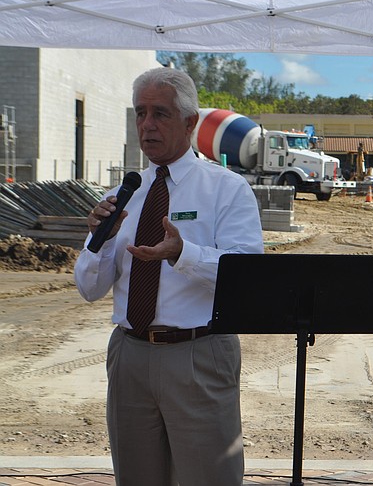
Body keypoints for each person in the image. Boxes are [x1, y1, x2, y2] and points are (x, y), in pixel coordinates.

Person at [74, 67, 264, 486]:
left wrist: (183, 253)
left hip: (197, 353)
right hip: (129, 355)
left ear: (190, 122)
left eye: (160, 113)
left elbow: (247, 277)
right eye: (140, 113)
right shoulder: (121, 194)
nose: (147, 124)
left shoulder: (226, 189)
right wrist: (101, 241)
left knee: (210, 478)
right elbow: (88, 288)